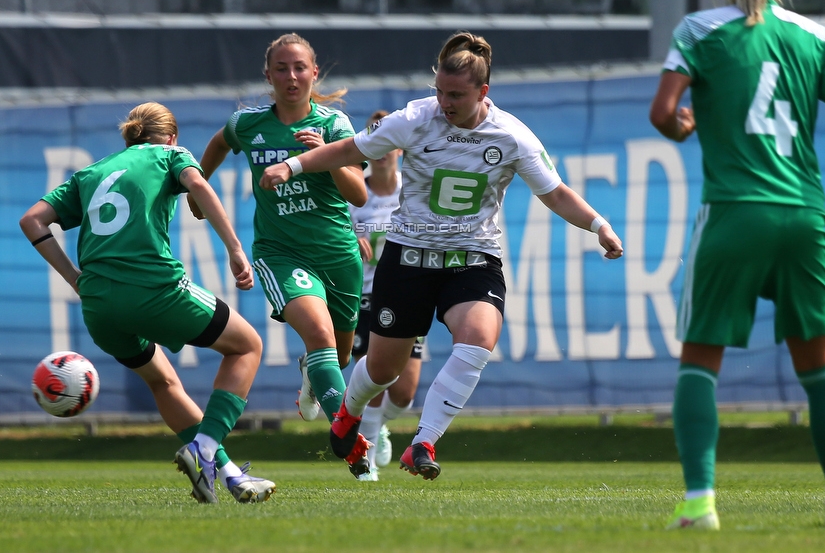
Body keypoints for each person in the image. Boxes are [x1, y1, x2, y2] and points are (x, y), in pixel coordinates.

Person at [260, 31, 623, 479]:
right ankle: (349, 412)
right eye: (440, 91)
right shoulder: (415, 117)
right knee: (382, 371)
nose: (444, 102)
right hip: (409, 258)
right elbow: (352, 149)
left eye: (456, 95)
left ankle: (424, 442)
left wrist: (599, 226)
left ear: (482, 92)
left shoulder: (511, 135)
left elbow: (556, 192)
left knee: (478, 338)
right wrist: (291, 165)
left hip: (473, 258)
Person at [649, 0, 825, 531]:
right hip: (802, 216)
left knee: (700, 358)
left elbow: (663, 113)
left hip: (733, 212)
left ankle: (700, 504)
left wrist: (680, 128)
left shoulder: (698, 30)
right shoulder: (816, 37)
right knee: (819, 364)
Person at [19, 102, 276, 505]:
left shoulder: (92, 171)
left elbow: (31, 219)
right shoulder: (172, 154)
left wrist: (75, 279)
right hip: (154, 290)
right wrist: (235, 249)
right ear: (171, 137)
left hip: (100, 308)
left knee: (162, 381)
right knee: (248, 346)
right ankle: (204, 448)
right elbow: (201, 186)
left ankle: (227, 475)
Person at [187, 33, 372, 477]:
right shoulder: (247, 124)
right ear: (267, 76)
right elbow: (215, 146)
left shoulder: (333, 126)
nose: (291, 77)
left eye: (300, 68)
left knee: (339, 357)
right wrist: (196, 186)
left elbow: (359, 195)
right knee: (321, 336)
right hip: (280, 252)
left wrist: (320, 157)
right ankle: (350, 444)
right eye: (282, 69)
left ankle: (314, 374)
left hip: (338, 252)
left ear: (314, 73)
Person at [347, 110, 422, 482]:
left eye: (388, 141)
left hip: (409, 291)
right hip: (366, 294)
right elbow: (334, 231)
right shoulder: (353, 192)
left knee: (405, 392)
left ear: (399, 147)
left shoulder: (413, 188)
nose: (382, 150)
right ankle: (368, 457)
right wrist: (349, 238)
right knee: (375, 375)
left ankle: (382, 426)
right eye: (374, 139)